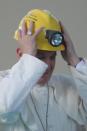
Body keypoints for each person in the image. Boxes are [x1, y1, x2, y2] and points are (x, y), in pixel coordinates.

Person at [0, 9, 87, 131]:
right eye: (39, 57)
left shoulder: (67, 87)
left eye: (52, 57)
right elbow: (5, 109)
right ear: (21, 54)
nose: (47, 64)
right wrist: (29, 57)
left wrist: (73, 58)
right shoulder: (4, 84)